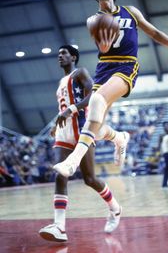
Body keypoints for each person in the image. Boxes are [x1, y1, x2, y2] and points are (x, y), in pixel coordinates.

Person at [53, 0, 168, 188]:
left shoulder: (131, 12)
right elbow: (103, 48)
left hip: (126, 65)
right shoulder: (93, 20)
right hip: (105, 67)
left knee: (96, 101)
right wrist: (103, 47)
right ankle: (118, 138)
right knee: (95, 124)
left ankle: (72, 161)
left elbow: (152, 32)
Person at [39, 45, 122, 242]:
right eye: (58, 54)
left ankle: (115, 208)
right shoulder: (61, 81)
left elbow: (93, 95)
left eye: (64, 53)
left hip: (82, 129)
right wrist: (55, 123)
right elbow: (63, 107)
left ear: (73, 57)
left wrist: (72, 109)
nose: (60, 56)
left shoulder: (80, 73)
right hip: (63, 132)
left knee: (90, 179)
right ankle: (59, 226)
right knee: (60, 174)